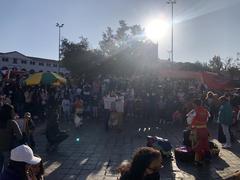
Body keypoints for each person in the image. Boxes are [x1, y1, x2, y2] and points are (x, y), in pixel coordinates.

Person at [0, 104, 23, 173]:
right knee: (6, 170)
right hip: (7, 149)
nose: (14, 113)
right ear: (9, 113)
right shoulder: (11, 122)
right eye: (13, 111)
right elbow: (20, 137)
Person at [187, 99, 210, 166]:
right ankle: (208, 158)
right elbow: (207, 120)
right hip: (205, 129)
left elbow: (189, 121)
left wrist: (190, 127)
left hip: (197, 130)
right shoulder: (206, 111)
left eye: (193, 104)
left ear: (195, 104)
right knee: (205, 144)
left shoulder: (194, 111)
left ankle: (198, 161)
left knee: (198, 145)